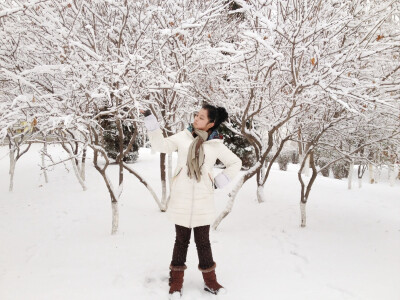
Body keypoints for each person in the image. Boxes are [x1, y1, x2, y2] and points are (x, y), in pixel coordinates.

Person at [140, 104, 242, 298]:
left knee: (203, 242)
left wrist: (218, 181)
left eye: (202, 118)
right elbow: (160, 145)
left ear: (211, 123)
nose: (196, 119)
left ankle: (210, 282)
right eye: (196, 115)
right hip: (181, 198)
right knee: (181, 241)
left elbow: (235, 163)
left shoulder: (216, 144)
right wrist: (151, 123)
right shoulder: (183, 136)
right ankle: (176, 283)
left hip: (204, 200)